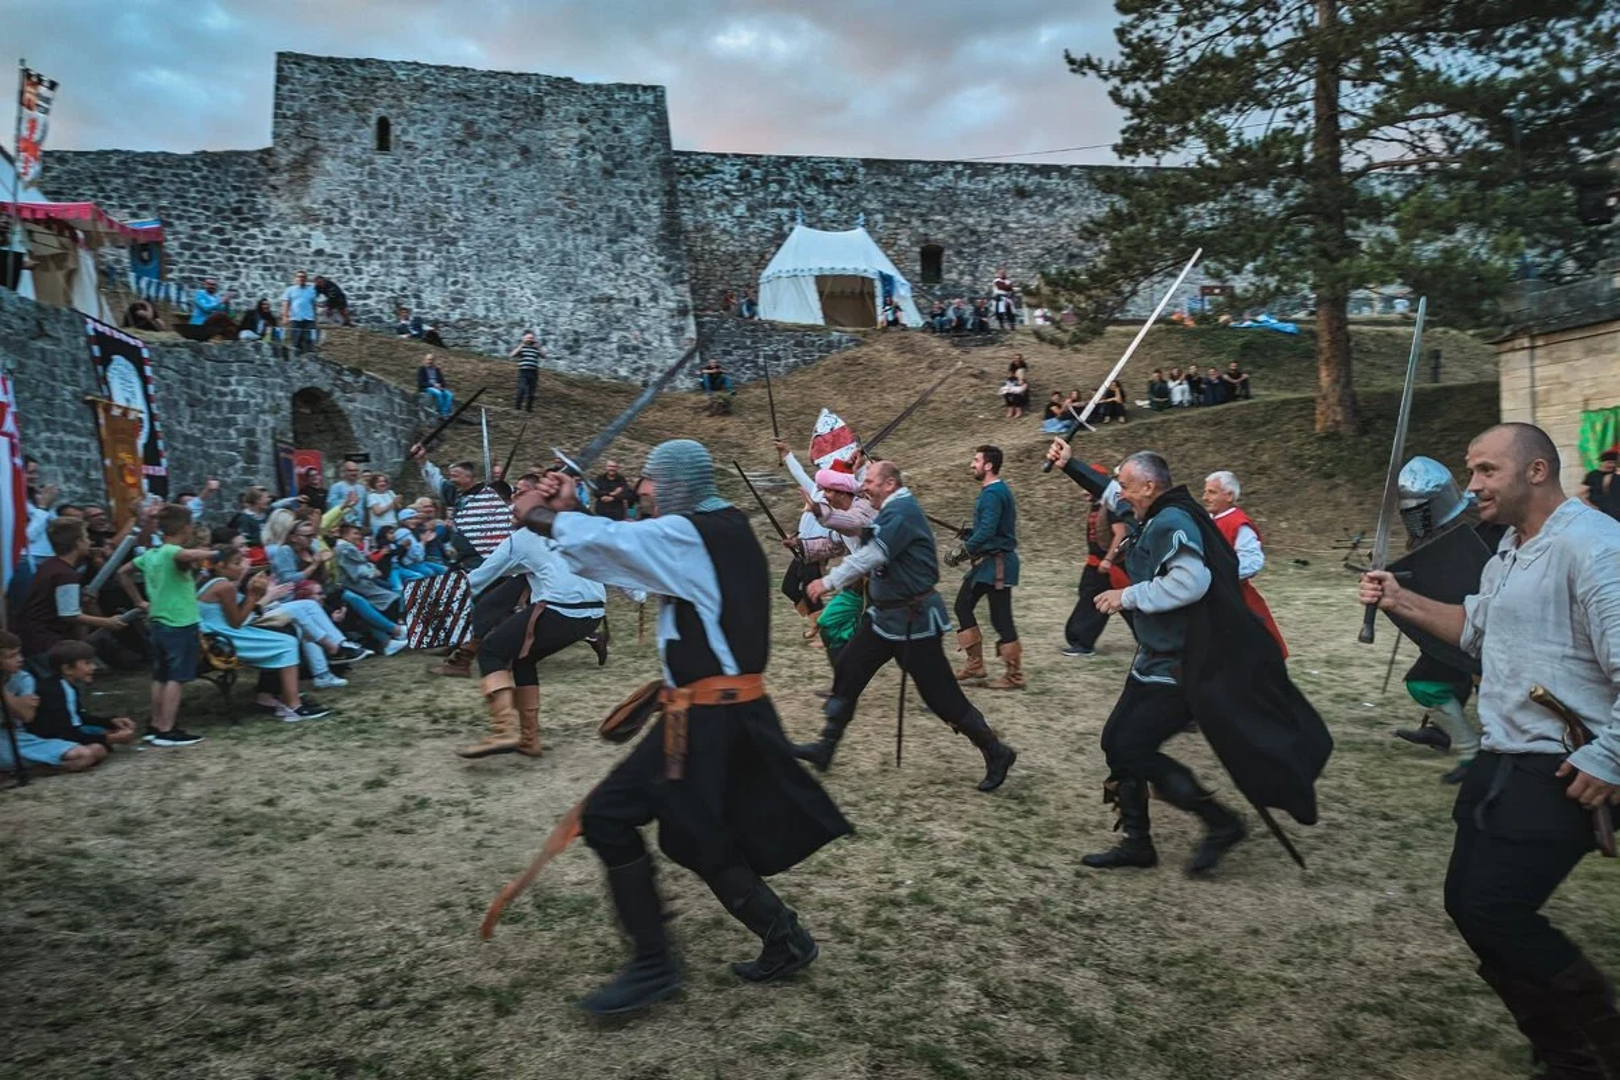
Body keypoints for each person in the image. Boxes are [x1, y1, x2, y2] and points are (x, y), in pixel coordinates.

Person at [516, 439, 853, 1015]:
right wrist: (569, 512)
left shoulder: (694, 533)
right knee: (694, 835)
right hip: (716, 712)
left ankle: (654, 966)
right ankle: (784, 937)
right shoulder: (722, 529)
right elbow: (627, 560)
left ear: (678, 483)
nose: (643, 489)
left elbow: (619, 544)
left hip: (709, 718)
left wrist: (541, 515)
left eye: (650, 479)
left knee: (609, 817)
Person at [1359, 423, 1620, 1075]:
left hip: (1563, 764)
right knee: (1469, 904)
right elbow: (1476, 628)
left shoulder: (1594, 547)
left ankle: (1592, 1049)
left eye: (1486, 471)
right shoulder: (1508, 549)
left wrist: (1610, 756)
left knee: (1493, 908)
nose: (1471, 484)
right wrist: (1401, 598)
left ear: (1536, 471)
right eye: (1470, 470)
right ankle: (1565, 1047)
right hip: (1504, 756)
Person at [1047, 439, 1331, 875]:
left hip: (1185, 664)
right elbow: (1110, 492)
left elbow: (1190, 582)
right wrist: (1071, 465)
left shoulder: (1171, 520)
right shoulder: (1152, 511)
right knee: (1118, 744)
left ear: (1148, 486)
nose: (1121, 493)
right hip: (1155, 659)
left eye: (1128, 485)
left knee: (1129, 745)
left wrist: (1127, 596)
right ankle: (1139, 842)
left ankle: (1219, 823)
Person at [792, 460, 1019, 790]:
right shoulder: (888, 511)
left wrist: (829, 581)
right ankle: (826, 746)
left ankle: (996, 751)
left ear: (889, 484)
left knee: (940, 695)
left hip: (915, 621)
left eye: (870, 481)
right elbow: (861, 530)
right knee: (849, 668)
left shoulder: (902, 512)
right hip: (884, 618)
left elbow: (872, 554)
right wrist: (823, 515)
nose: (863, 487)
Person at [456, 493, 627, 759]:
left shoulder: (521, 539)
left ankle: (503, 730)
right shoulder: (570, 529)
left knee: (490, 650)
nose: (510, 515)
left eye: (515, 511)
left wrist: (440, 596)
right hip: (592, 615)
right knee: (524, 660)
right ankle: (529, 740)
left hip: (560, 610)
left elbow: (478, 579)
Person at [1382, 456, 1502, 785]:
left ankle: (1481, 754)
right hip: (1450, 625)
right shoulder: (1430, 533)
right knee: (1428, 682)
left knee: (1490, 691)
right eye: (1410, 512)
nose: (1416, 520)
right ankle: (1455, 739)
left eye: (1422, 510)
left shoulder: (1490, 520)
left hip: (1492, 627)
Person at [197, 550, 331, 721]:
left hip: (219, 634)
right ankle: (293, 705)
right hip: (224, 639)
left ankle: (286, 699)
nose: (242, 567)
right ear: (220, 566)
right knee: (286, 643)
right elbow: (236, 621)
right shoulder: (224, 586)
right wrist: (253, 595)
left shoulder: (212, 583)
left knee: (286, 636)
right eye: (237, 563)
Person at [121, 505, 213, 747]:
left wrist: (139, 601)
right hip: (180, 621)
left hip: (158, 621)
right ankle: (167, 729)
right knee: (176, 677)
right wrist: (215, 553)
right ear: (186, 528)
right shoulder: (173, 551)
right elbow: (185, 556)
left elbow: (123, 572)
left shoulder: (152, 554)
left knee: (160, 676)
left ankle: (155, 724)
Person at [14, 518, 136, 662]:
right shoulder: (66, 574)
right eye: (86, 537)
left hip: (33, 637)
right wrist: (107, 622)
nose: (90, 542)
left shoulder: (50, 566)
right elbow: (70, 614)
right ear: (78, 542)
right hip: (44, 641)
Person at [952, 446, 1023, 690]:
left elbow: (988, 531)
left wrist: (962, 551)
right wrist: (971, 534)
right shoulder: (992, 491)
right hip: (989, 564)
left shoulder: (993, 493)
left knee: (1000, 618)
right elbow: (988, 528)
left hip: (998, 565)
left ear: (988, 465)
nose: (972, 464)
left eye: (976, 460)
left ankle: (1014, 676)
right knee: (963, 606)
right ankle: (976, 665)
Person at [1202, 471, 1287, 658]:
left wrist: (1217, 573)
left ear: (1229, 496)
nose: (1205, 497)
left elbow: (1252, 561)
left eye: (1212, 492)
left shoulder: (1238, 523)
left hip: (1236, 598)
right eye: (1205, 492)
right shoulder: (1208, 520)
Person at [2, 630, 108, 774]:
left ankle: (29, 770)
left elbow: (26, 715)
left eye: (19, 653)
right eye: (11, 656)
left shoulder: (23, 679)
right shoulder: (54, 687)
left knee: (92, 752)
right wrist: (18, 702)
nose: (20, 659)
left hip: (18, 737)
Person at [1062, 465, 1130, 657]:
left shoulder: (1111, 506)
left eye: (1087, 487)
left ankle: (1083, 643)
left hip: (1108, 566)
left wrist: (1108, 559)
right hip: (1096, 563)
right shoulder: (1097, 505)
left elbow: (1121, 534)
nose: (1084, 491)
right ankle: (1079, 639)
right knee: (1094, 597)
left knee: (1103, 601)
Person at [28, 640, 139, 750]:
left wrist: (111, 721)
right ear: (67, 669)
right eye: (87, 663)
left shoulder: (70, 687)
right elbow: (65, 733)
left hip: (72, 732)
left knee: (111, 732)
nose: (94, 667)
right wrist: (109, 739)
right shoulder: (54, 691)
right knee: (98, 749)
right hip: (53, 738)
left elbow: (79, 717)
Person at [1579, 444, 1620, 520]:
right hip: (1599, 514)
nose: (1612, 465)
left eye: (1614, 463)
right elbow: (1580, 494)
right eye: (1610, 462)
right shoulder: (1593, 475)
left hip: (1615, 513)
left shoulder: (1616, 475)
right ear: (1602, 462)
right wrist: (1592, 507)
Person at [281, 270, 319, 353]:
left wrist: (315, 319)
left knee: (309, 342)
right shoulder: (290, 290)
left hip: (308, 320)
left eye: (303, 277)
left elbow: (313, 305)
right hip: (295, 319)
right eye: (299, 277)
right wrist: (284, 316)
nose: (301, 278)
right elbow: (285, 304)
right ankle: (296, 358)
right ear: (295, 278)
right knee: (295, 342)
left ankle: (308, 358)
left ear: (306, 279)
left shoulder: (311, 290)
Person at [509, 332, 543, 413]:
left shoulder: (536, 348)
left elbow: (544, 356)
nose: (529, 339)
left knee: (531, 392)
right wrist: (520, 347)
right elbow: (512, 355)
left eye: (531, 338)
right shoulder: (522, 348)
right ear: (524, 339)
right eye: (528, 338)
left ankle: (528, 410)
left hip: (533, 372)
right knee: (522, 389)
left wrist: (539, 348)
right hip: (523, 371)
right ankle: (517, 408)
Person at [326, 460, 367, 525]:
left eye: (356, 470)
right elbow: (331, 507)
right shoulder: (336, 487)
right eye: (350, 470)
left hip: (359, 524)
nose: (354, 473)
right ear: (344, 472)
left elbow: (365, 507)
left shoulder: (362, 488)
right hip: (342, 525)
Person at [417, 354, 454, 418]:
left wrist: (440, 385)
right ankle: (441, 413)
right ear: (425, 360)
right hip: (427, 388)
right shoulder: (422, 369)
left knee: (449, 394)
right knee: (439, 393)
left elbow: (443, 381)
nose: (430, 361)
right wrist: (433, 385)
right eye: (428, 360)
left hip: (438, 387)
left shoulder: (437, 369)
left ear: (434, 361)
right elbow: (421, 383)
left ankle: (445, 412)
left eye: (431, 360)